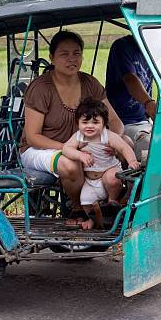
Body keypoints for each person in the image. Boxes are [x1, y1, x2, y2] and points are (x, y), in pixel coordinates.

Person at [20, 30, 124, 224]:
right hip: (39, 150)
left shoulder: (90, 83)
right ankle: (77, 209)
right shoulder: (41, 88)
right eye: (64, 54)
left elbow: (116, 123)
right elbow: (33, 137)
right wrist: (71, 149)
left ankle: (112, 205)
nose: (71, 59)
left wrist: (113, 142)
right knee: (70, 163)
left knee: (125, 143)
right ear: (52, 57)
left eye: (76, 53)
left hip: (80, 146)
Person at [63, 98, 139, 230]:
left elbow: (123, 147)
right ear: (78, 123)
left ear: (104, 123)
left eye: (95, 122)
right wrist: (80, 155)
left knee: (112, 178)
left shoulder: (107, 136)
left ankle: (112, 203)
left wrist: (131, 161)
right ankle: (93, 220)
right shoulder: (79, 137)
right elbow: (66, 149)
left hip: (108, 171)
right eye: (85, 122)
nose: (90, 126)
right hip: (91, 180)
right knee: (85, 200)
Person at [105, 35, 155, 161]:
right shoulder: (122, 46)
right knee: (149, 146)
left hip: (144, 121)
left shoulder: (155, 47)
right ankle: (144, 178)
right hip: (123, 121)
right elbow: (130, 79)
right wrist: (149, 104)